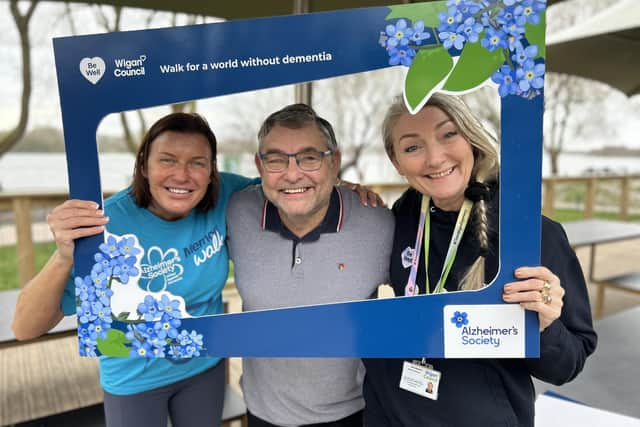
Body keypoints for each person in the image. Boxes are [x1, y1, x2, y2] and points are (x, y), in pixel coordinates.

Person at [362, 93, 597, 426]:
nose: (434, 158)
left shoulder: (530, 234)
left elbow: (568, 365)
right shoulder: (400, 216)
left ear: (471, 138)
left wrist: (545, 326)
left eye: (448, 134)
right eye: (412, 147)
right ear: (396, 161)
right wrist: (346, 194)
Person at [226, 103, 395, 427]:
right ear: (259, 167)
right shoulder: (237, 212)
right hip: (262, 413)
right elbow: (181, 191)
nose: (292, 174)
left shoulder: (378, 224)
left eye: (310, 157)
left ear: (334, 162)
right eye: (276, 159)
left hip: (352, 413)